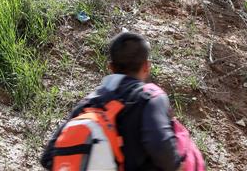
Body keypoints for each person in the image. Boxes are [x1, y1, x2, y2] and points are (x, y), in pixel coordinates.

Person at [40, 31, 182, 170]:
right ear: (146, 66)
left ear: (111, 68)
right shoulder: (151, 98)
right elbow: (160, 147)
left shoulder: (88, 103)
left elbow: (48, 157)